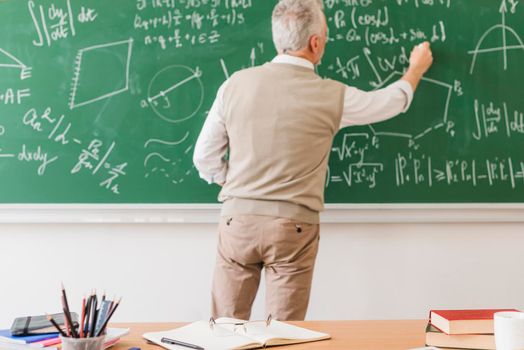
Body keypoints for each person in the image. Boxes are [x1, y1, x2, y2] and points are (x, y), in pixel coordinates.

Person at [193, 0, 433, 321]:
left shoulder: (233, 84)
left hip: (239, 220)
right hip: (292, 226)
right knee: (284, 335)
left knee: (223, 328)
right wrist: (415, 69)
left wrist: (233, 183)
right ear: (315, 43)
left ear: (278, 39)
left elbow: (204, 157)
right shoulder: (333, 95)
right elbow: (388, 103)